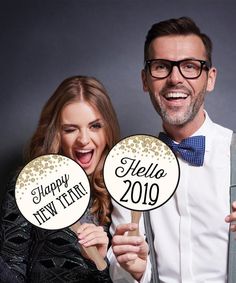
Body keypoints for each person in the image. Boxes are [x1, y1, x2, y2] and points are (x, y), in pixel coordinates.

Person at [109, 17, 235, 282]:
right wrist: (134, 269)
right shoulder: (128, 167)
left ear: (210, 79)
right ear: (145, 80)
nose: (175, 78)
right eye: (161, 67)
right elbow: (120, 271)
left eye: (190, 66)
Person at [0, 75, 120, 282]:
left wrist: (99, 260)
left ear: (108, 129)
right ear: (56, 133)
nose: (83, 139)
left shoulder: (124, 186)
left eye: (95, 126)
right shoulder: (30, 183)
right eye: (70, 129)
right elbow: (11, 266)